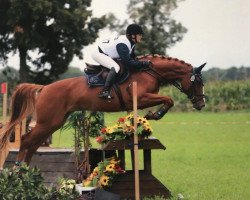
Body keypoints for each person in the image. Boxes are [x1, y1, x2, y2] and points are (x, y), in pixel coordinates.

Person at [91, 23, 151, 100]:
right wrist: (143, 63)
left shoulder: (131, 42)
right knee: (116, 67)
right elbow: (128, 63)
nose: (141, 37)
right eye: (139, 35)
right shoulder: (123, 44)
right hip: (99, 54)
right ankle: (104, 92)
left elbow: (133, 58)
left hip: (107, 54)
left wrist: (141, 62)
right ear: (133, 36)